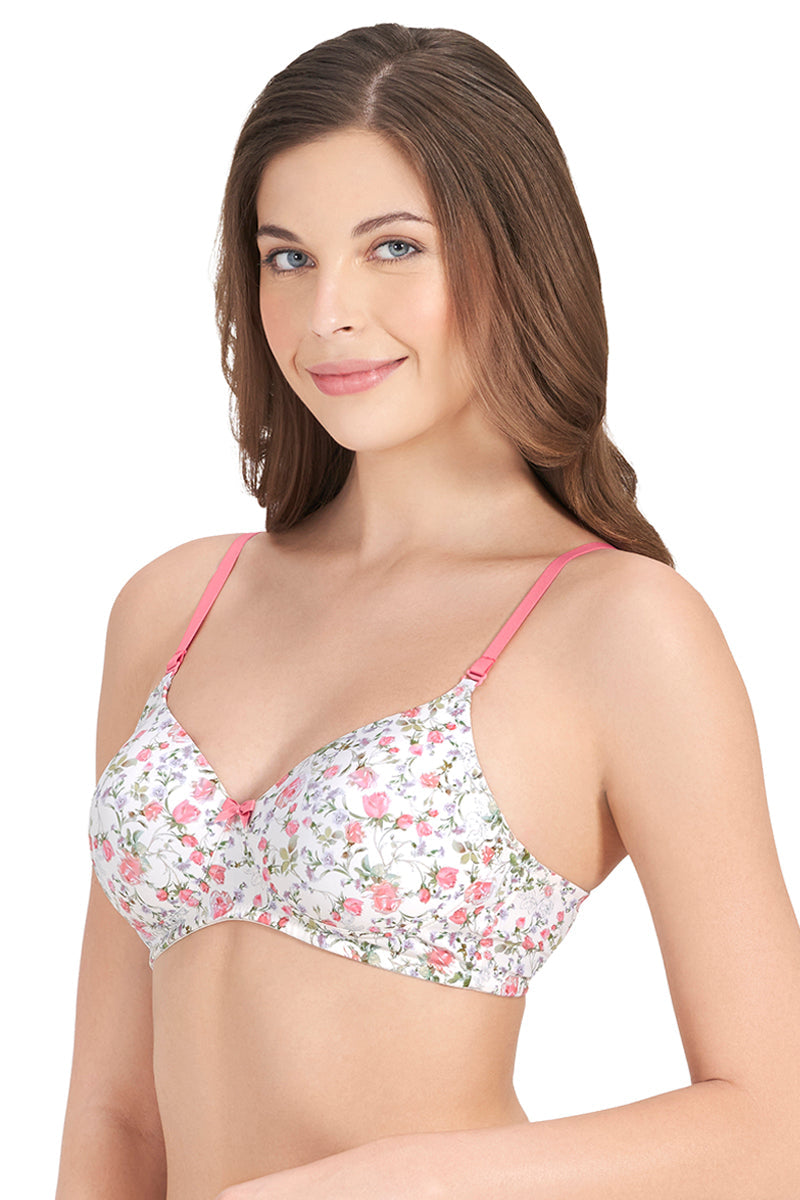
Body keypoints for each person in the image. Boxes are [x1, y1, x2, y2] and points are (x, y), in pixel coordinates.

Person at [55, 22, 800, 1200]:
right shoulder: (174, 605)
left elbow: (774, 1127)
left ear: (514, 258)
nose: (328, 313)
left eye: (392, 247)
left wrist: (363, 1183)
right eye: (287, 257)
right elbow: (114, 1111)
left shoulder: (618, 626)